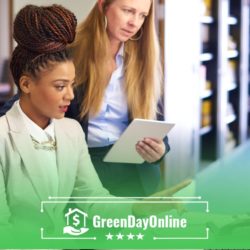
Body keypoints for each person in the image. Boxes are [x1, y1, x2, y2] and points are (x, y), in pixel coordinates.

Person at [0, 4, 191, 241]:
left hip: (136, 172)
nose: (134, 22)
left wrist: (161, 150)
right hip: (87, 168)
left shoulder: (144, 56)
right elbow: (30, 97)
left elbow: (156, 120)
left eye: (142, 15)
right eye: (128, 11)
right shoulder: (69, 49)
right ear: (103, 5)